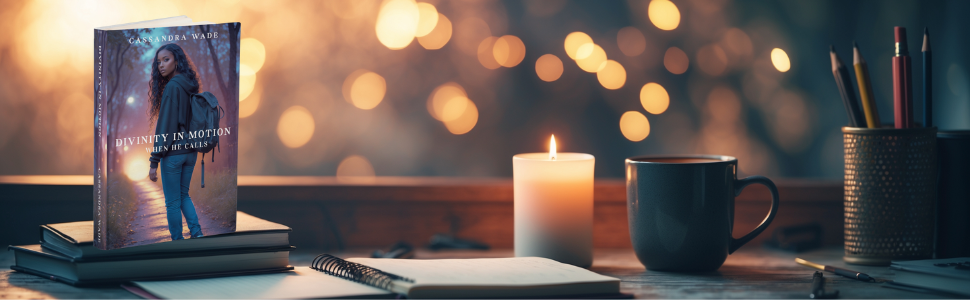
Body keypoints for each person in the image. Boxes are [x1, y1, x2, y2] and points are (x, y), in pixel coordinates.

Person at [146, 43, 204, 240]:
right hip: (191, 151)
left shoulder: (172, 87)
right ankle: (197, 235)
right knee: (183, 196)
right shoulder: (190, 85)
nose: (161, 65)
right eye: (159, 62)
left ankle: (178, 243)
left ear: (177, 60)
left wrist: (154, 161)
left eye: (166, 59)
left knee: (172, 202)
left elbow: (166, 127)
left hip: (174, 154)